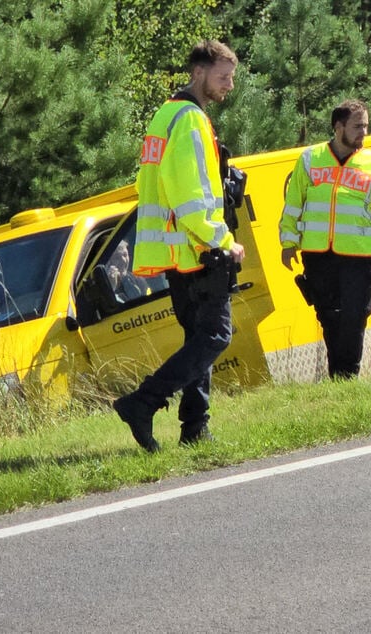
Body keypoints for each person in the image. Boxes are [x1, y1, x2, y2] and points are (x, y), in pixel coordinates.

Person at [113, 40, 245, 452]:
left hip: (177, 251)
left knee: (198, 339)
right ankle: (143, 402)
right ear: (199, 72)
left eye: (232, 78)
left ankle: (194, 428)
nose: (229, 86)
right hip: (197, 249)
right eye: (223, 77)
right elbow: (192, 195)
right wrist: (222, 240)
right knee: (216, 336)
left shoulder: (165, 115)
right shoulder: (190, 119)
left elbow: (152, 186)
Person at [279, 99, 371, 379]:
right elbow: (293, 203)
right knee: (329, 317)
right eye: (358, 127)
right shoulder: (310, 159)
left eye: (366, 127)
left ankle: (349, 376)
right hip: (318, 255)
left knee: (355, 317)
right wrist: (288, 243)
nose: (363, 133)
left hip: (358, 257)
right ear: (338, 126)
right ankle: (338, 378)